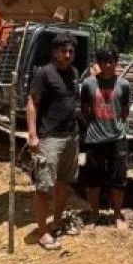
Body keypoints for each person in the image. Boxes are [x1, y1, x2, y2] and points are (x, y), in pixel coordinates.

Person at [26, 33, 81, 250]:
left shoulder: (74, 73)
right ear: (55, 53)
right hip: (49, 138)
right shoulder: (44, 74)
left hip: (70, 137)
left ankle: (57, 222)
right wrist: (32, 135)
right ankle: (42, 232)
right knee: (44, 186)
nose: (68, 55)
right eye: (64, 51)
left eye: (71, 51)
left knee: (63, 183)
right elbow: (32, 103)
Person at [80, 45, 132, 230]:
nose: (108, 65)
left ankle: (117, 215)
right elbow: (84, 111)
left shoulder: (124, 85)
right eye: (103, 62)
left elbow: (124, 111)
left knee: (118, 179)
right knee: (93, 179)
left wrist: (114, 126)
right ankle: (94, 214)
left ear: (116, 63)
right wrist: (95, 127)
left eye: (111, 61)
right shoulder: (88, 84)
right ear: (98, 63)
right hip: (94, 139)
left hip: (117, 138)